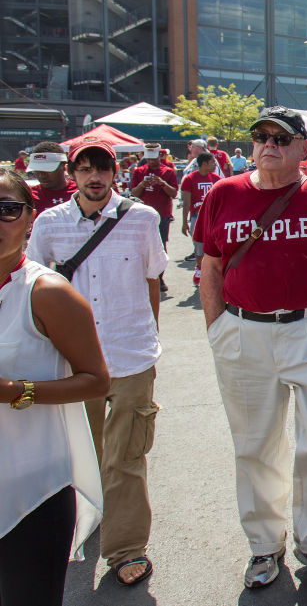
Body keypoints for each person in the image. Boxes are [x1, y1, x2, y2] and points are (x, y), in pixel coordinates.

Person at [194, 106, 307, 590]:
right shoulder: (222, 195)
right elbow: (209, 269)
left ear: (303, 147)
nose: (268, 143)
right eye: (261, 136)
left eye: (281, 136)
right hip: (242, 331)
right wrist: (217, 331)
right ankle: (263, 545)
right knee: (255, 445)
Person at [27, 136, 169, 587]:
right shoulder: (50, 223)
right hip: (72, 362)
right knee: (77, 453)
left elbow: (152, 282)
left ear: (115, 173)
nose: (94, 177)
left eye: (102, 168)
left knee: (125, 456)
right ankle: (82, 525)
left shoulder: (141, 219)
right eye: (85, 168)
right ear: (73, 175)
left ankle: (126, 547)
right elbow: (32, 287)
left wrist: (149, 338)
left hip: (130, 356)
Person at [0, 168, 109, 606]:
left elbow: (96, 380)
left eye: (7, 210)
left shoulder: (46, 292)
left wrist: (16, 392)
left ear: (30, 219)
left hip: (33, 488)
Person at [129, 144, 179, 294]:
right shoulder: (139, 171)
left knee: (160, 246)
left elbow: (174, 193)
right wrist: (143, 184)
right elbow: (134, 193)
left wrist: (161, 183)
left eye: (154, 159)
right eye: (148, 159)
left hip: (162, 215)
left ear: (159, 157)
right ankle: (143, 275)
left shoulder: (168, 172)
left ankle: (159, 277)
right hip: (141, 215)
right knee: (140, 246)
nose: (151, 162)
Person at [180, 152, 219, 287]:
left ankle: (213, 272)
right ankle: (199, 267)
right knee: (199, 246)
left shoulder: (216, 179)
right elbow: (186, 202)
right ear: (204, 163)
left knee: (215, 246)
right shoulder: (189, 179)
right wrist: (184, 222)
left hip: (214, 217)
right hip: (197, 217)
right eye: (212, 162)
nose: (215, 165)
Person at [26, 142, 77, 220]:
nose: (41, 175)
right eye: (37, 170)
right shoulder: (29, 197)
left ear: (64, 166)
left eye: (47, 169)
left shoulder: (81, 193)